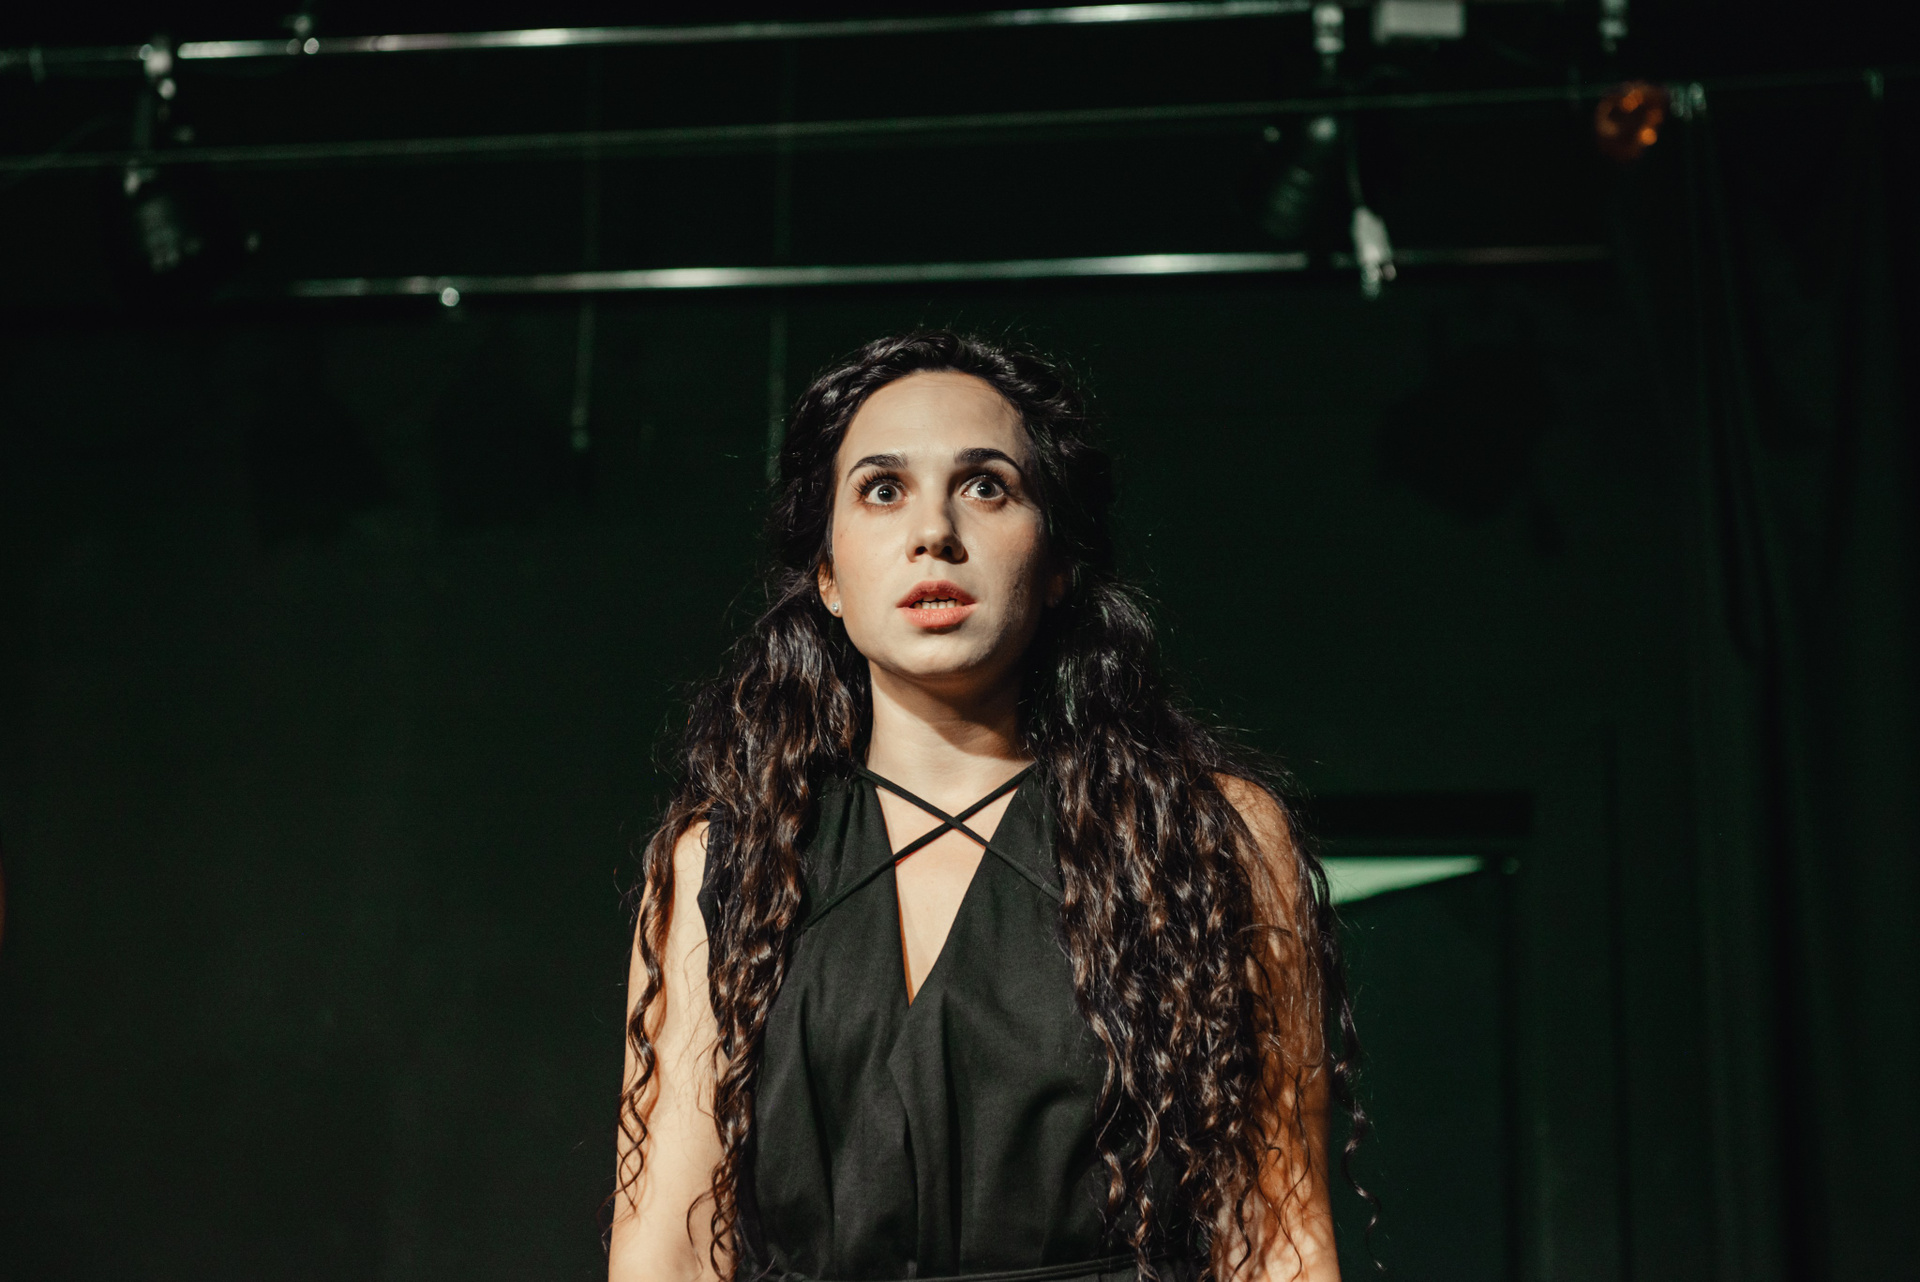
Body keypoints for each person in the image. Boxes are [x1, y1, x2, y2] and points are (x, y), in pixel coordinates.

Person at [608, 331, 1361, 1282]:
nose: (934, 531)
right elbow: (668, 1247)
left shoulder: (1208, 838)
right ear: (828, 575)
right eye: (883, 489)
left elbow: (1280, 1237)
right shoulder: (730, 861)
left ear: (1057, 561)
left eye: (985, 486)